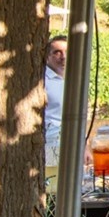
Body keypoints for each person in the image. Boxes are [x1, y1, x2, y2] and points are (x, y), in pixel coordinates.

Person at [43, 36, 67, 165]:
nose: (63, 56)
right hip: (51, 142)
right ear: (47, 56)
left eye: (66, 51)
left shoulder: (75, 79)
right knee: (53, 181)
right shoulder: (42, 81)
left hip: (71, 143)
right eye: (57, 52)